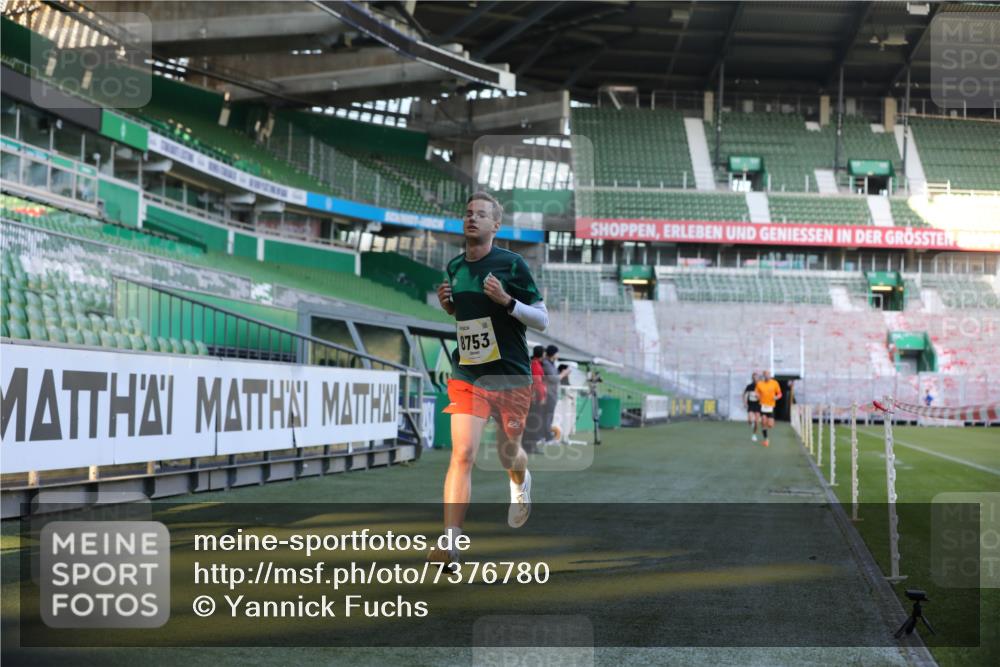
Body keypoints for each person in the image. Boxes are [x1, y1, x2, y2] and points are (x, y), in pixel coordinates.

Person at [431, 191, 549, 569]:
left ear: (495, 226)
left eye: (481, 215)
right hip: (469, 373)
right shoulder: (453, 267)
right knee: (462, 453)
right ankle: (450, 545)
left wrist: (507, 302)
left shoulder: (512, 265)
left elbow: (543, 319)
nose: (472, 218)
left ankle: (520, 481)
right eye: (468, 213)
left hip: (511, 375)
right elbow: (467, 321)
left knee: (507, 454)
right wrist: (450, 307)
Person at [524, 345, 548, 453]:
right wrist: (542, 397)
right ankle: (530, 446)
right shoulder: (536, 365)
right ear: (541, 354)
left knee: (531, 422)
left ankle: (528, 446)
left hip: (531, 398)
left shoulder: (533, 363)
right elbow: (538, 384)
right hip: (535, 399)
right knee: (534, 423)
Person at [754, 370, 782, 448]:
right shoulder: (759, 384)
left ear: (770, 375)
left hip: (771, 406)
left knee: (770, 425)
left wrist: (776, 397)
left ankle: (769, 423)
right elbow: (756, 392)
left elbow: (780, 393)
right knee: (763, 421)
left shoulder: (775, 383)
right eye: (765, 375)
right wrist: (757, 395)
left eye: (768, 375)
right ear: (763, 376)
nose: (767, 376)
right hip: (762, 405)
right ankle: (766, 439)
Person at [541, 345, 561, 444]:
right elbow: (554, 378)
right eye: (557, 352)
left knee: (548, 416)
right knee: (547, 416)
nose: (558, 354)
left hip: (552, 393)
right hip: (548, 394)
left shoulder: (551, 363)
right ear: (553, 353)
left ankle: (546, 436)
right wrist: (564, 373)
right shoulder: (546, 364)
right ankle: (547, 437)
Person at [743, 373, 761, 442]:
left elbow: (764, 395)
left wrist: (759, 397)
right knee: (750, 420)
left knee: (757, 421)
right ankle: (752, 424)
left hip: (758, 405)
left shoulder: (761, 386)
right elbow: (744, 394)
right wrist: (745, 402)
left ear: (758, 378)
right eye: (753, 378)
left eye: (756, 377)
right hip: (751, 405)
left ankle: (754, 435)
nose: (755, 379)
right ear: (752, 378)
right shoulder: (749, 386)